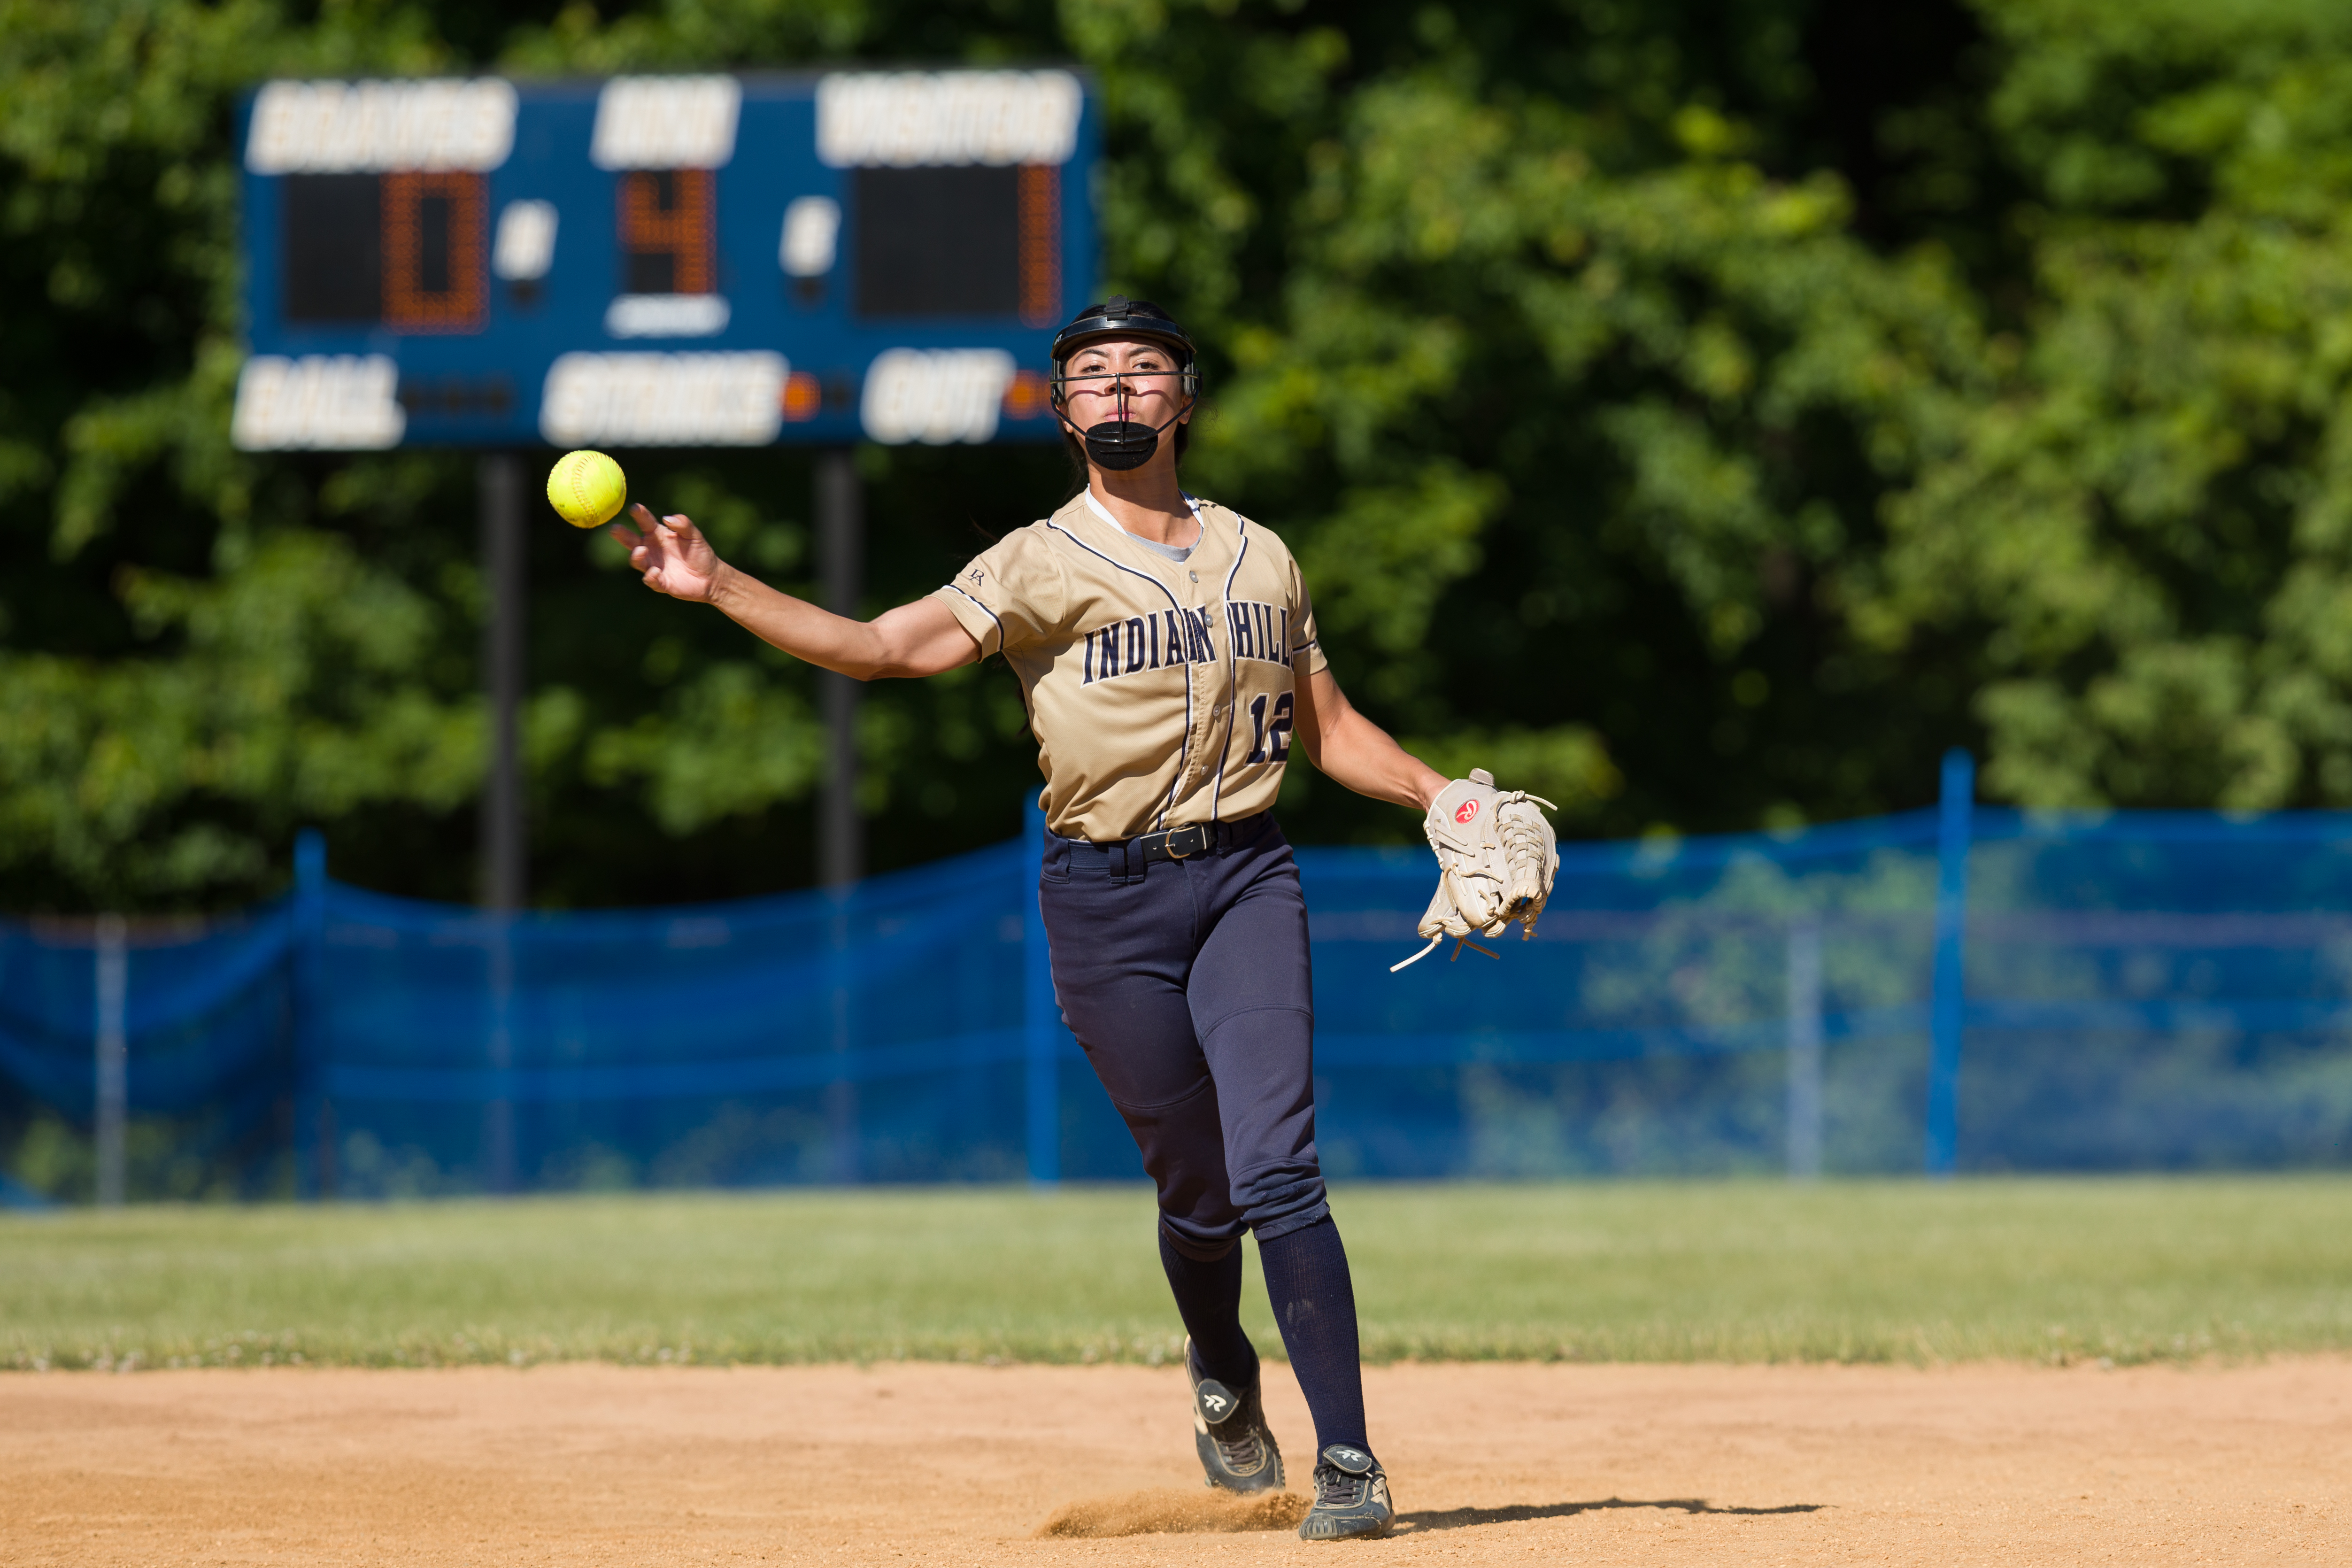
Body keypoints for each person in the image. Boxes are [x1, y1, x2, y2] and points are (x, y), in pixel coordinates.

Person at [611, 295, 1450, 1542]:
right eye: (1092, 375)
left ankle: (1347, 1459)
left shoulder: (1261, 554)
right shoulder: (1034, 561)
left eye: (1143, 370)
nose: (1118, 390)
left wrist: (1445, 796)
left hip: (1244, 879)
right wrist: (718, 580)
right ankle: (1220, 1363)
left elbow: (1325, 731)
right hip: (1106, 904)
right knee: (1201, 1190)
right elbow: (883, 647)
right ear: (1063, 412)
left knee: (1278, 1164)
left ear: (1183, 398)